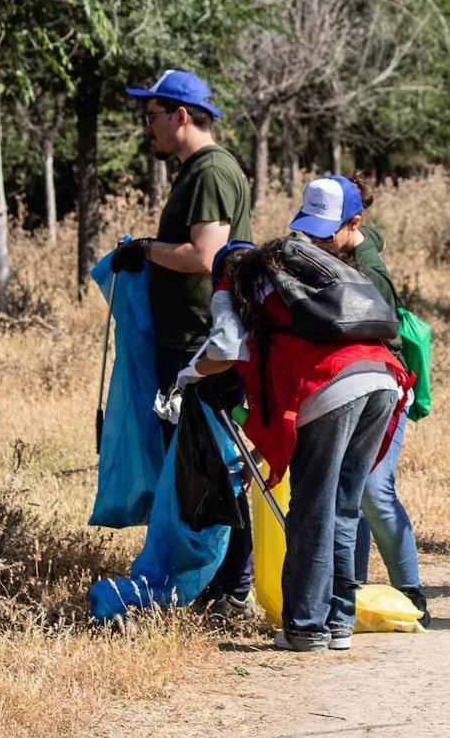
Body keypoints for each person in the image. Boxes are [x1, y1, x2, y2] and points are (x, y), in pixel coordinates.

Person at [177, 240, 410, 651]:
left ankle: (305, 627)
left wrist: (189, 373)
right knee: (343, 506)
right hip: (383, 378)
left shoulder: (233, 287)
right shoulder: (293, 278)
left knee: (312, 506)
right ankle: (339, 623)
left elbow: (225, 349)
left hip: (334, 385)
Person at [115, 70, 256, 619]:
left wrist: (146, 248)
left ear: (180, 115)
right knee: (193, 466)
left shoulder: (212, 170)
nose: (146, 127)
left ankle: (235, 587)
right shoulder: (196, 170)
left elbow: (205, 254)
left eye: (151, 116)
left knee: (215, 463)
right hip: (184, 339)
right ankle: (212, 582)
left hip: (203, 343)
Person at [288, 174, 430, 625]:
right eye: (306, 229)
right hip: (348, 387)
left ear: (354, 223)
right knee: (349, 496)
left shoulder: (369, 273)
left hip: (381, 389)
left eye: (322, 232)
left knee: (369, 491)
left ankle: (411, 593)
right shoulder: (332, 251)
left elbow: (376, 338)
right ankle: (352, 593)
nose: (312, 240)